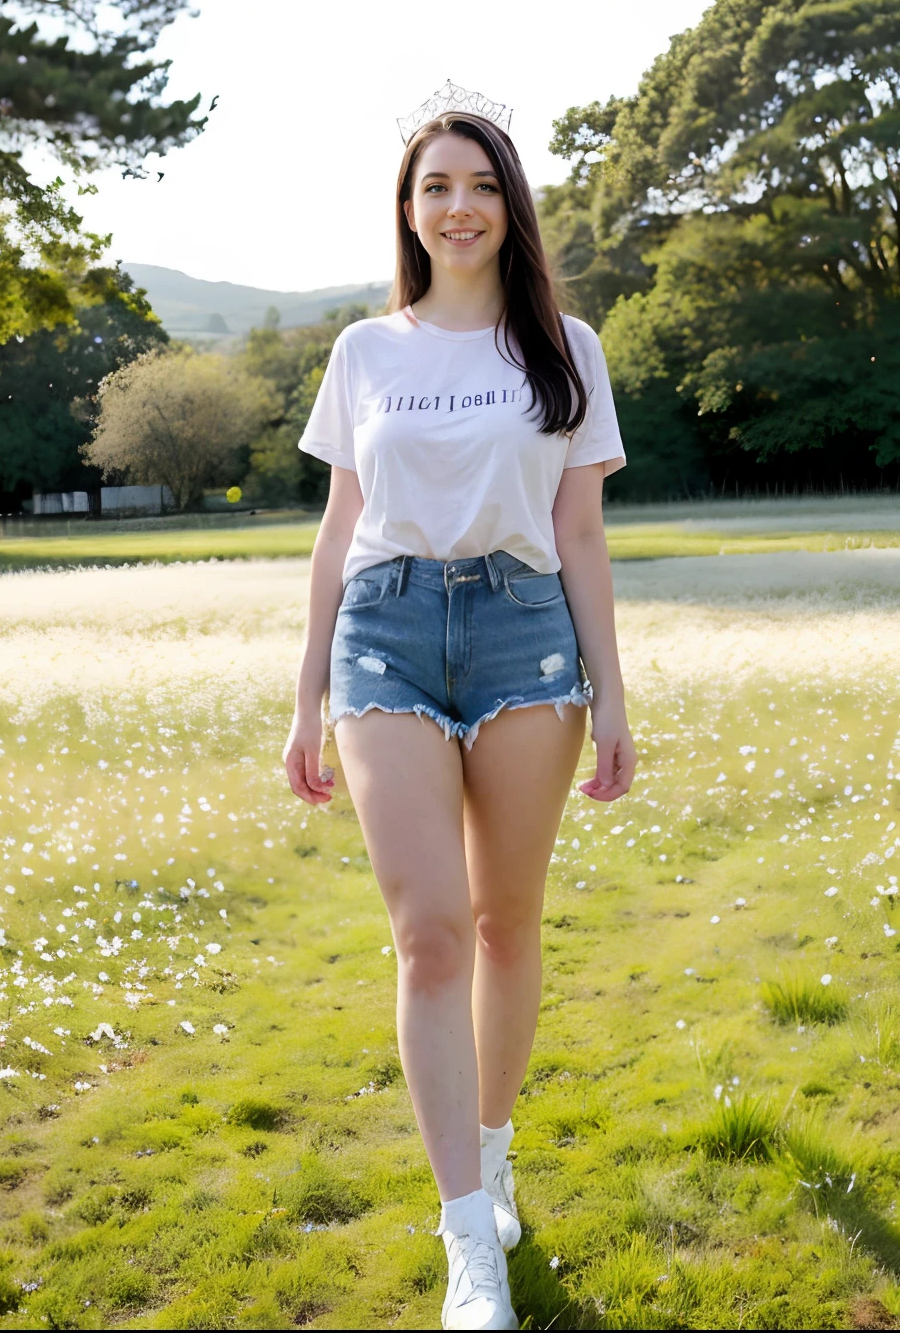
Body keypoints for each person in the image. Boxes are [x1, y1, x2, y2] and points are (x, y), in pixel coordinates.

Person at [282, 102, 635, 1330]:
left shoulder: (565, 349)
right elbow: (336, 531)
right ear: (409, 209)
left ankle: (491, 1161)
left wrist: (616, 696)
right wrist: (303, 697)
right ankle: (464, 1245)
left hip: (524, 635)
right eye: (435, 186)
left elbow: (581, 536)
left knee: (500, 927)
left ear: (509, 205)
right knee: (427, 936)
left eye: (480, 184)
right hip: (383, 635)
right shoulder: (364, 353)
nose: (458, 206)